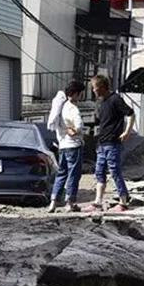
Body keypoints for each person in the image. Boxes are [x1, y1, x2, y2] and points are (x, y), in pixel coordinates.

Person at [85, 74, 135, 213]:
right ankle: (97, 202)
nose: (93, 91)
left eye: (94, 88)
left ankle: (123, 202)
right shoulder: (101, 103)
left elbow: (130, 113)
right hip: (102, 143)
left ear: (101, 87)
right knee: (99, 172)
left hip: (113, 143)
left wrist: (127, 132)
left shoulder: (115, 99)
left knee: (115, 172)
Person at [46, 80, 85, 213]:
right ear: (75, 94)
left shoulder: (59, 107)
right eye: (80, 94)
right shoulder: (72, 108)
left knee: (61, 173)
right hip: (73, 145)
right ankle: (70, 202)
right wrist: (75, 131)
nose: (80, 97)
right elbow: (78, 126)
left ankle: (53, 202)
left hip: (62, 146)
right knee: (73, 174)